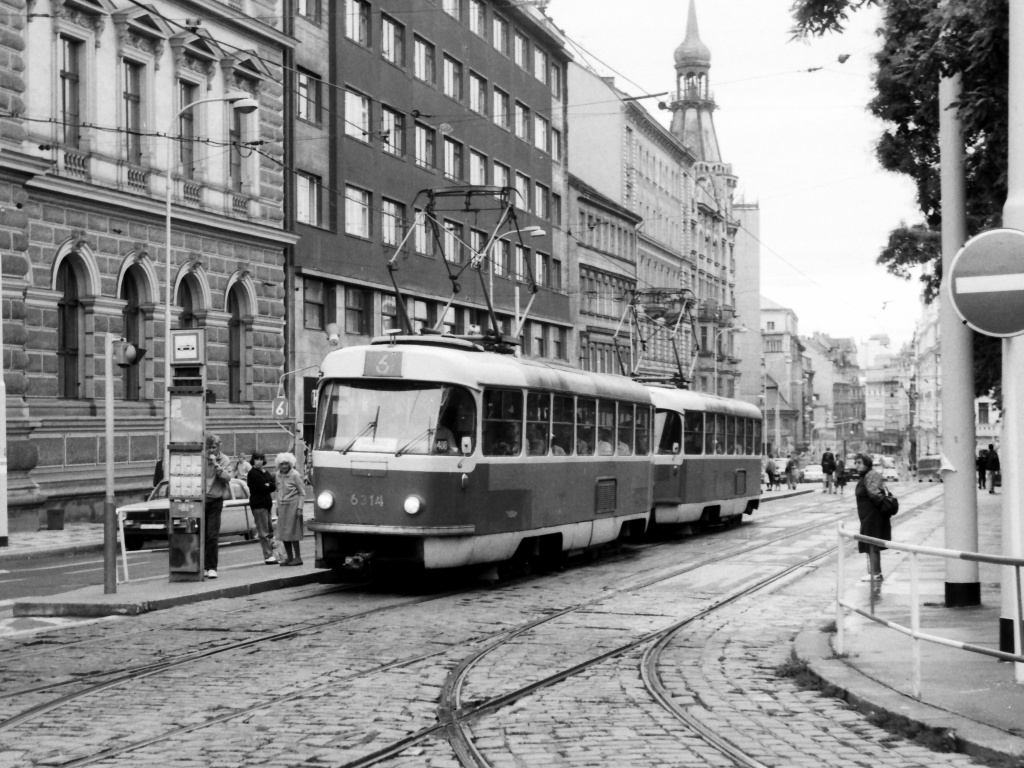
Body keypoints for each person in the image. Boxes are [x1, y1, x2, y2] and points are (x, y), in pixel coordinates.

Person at [854, 452, 889, 581]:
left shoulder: (870, 476)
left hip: (872, 516)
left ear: (866, 464)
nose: (857, 465)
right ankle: (873, 572)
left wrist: (875, 510)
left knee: (872, 544)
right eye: (856, 463)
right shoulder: (866, 476)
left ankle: (875, 573)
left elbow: (875, 495)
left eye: (859, 463)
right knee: (869, 544)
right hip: (867, 516)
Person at [203, 434, 233, 580]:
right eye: (207, 447)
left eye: (213, 447)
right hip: (200, 500)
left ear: (219, 447)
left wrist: (216, 465)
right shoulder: (201, 459)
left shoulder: (224, 459)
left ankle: (211, 567)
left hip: (215, 500)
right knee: (200, 534)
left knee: (212, 534)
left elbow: (228, 478)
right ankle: (201, 566)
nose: (210, 450)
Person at [275, 452, 306, 566]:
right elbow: (277, 491)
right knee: (283, 533)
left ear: (290, 464)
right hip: (282, 506)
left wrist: (300, 508)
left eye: (286, 464)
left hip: (293, 506)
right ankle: (289, 557)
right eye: (282, 464)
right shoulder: (277, 475)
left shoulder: (295, 475)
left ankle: (298, 558)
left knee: (293, 533)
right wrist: (277, 506)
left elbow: (302, 493)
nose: (284, 466)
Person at [246, 452, 278, 564]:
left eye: (260, 459)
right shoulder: (252, 473)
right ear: (253, 461)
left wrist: (268, 485)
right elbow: (260, 488)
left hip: (267, 504)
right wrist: (268, 485)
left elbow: (273, 486)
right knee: (263, 531)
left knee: (269, 530)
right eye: (256, 459)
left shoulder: (265, 472)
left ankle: (272, 553)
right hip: (258, 505)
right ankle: (268, 555)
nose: (259, 461)